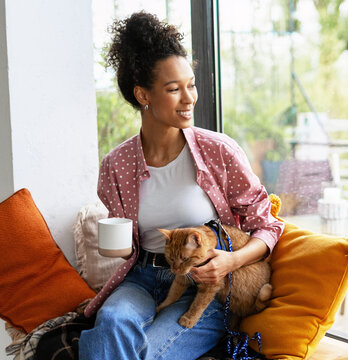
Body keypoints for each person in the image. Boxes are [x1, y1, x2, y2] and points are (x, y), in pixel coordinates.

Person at [78, 11, 284, 360]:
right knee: (111, 323)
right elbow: (126, 245)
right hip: (143, 278)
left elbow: (266, 226)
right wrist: (118, 247)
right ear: (143, 94)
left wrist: (231, 262)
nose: (189, 98)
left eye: (191, 84)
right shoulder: (116, 165)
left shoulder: (218, 151)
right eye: (174, 89)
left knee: (148, 353)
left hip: (207, 286)